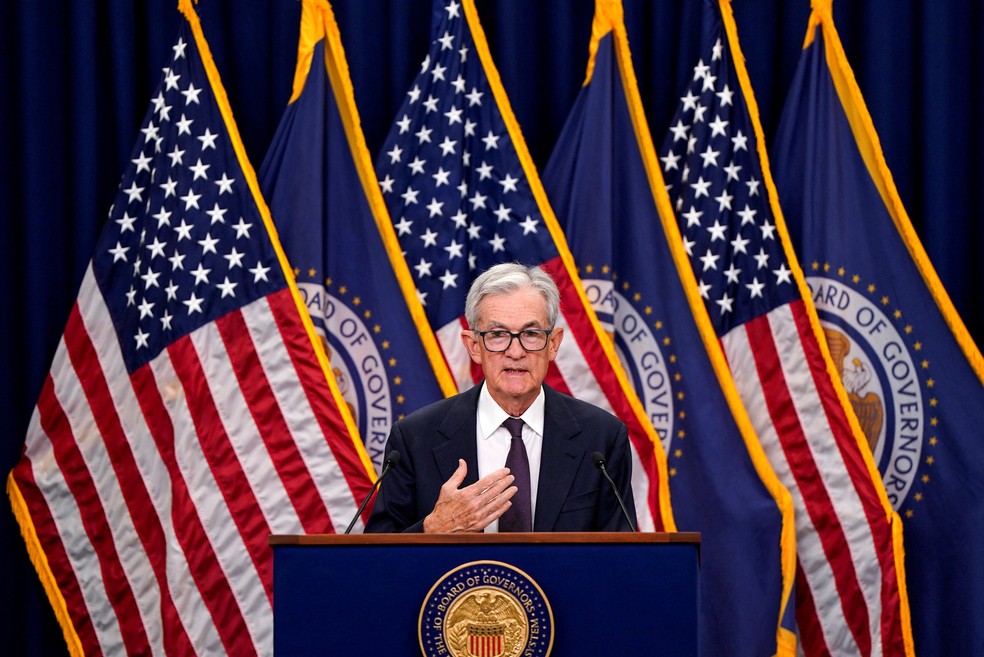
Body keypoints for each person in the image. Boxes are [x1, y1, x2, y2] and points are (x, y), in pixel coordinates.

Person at [364, 262, 635, 533]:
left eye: (531, 334)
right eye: (497, 335)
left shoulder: (601, 439)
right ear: (474, 346)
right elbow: (377, 552)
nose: (515, 352)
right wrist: (432, 529)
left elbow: (622, 551)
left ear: (553, 344)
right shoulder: (415, 439)